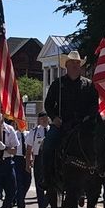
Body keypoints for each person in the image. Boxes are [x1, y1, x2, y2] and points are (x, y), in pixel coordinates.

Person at [42, 50, 100, 186]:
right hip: (62, 124)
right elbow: (48, 103)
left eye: (77, 63)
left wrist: (88, 118)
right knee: (48, 144)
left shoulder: (89, 85)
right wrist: (54, 118)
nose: (75, 65)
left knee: (102, 142)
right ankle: (47, 178)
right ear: (66, 65)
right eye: (72, 63)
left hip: (84, 125)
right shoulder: (58, 84)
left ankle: (102, 175)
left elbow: (94, 105)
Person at [26, 112, 50, 208]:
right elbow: (29, 148)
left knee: (52, 187)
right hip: (39, 160)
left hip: (51, 159)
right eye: (42, 119)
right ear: (39, 120)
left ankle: (46, 203)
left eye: (46, 119)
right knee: (39, 188)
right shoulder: (34, 132)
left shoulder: (52, 131)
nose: (45, 121)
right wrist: (27, 163)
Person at [12, 122, 31, 208]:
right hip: (17, 159)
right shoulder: (14, 134)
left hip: (26, 159)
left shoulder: (29, 134)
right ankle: (20, 204)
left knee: (27, 182)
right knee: (19, 183)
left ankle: (19, 197)